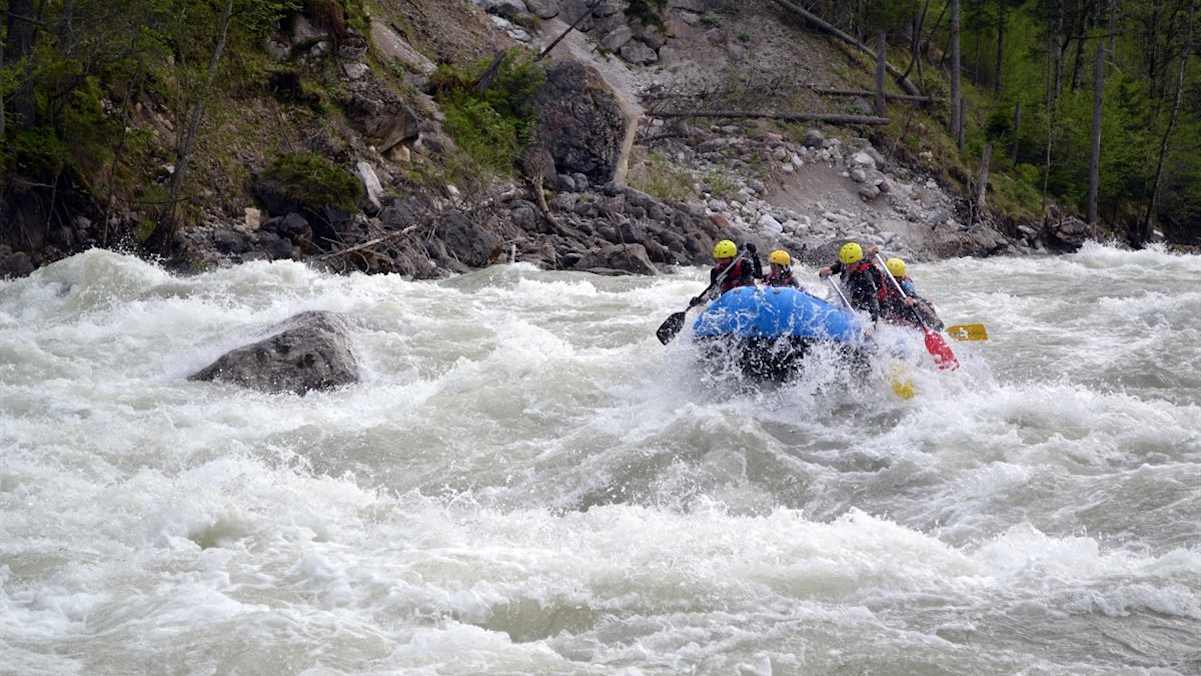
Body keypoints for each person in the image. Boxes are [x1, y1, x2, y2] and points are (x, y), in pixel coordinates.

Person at [818, 242, 882, 322]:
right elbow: (835, 267)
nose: (847, 267)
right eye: (845, 264)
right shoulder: (846, 262)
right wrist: (828, 271)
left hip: (861, 305)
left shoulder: (865, 279)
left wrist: (872, 324)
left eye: (850, 264)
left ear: (858, 262)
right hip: (848, 296)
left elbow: (874, 303)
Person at [881, 256, 944, 330]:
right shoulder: (881, 280)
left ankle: (935, 326)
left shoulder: (904, 281)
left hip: (903, 302)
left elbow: (911, 293)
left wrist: (911, 299)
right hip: (891, 308)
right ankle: (924, 328)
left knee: (925, 304)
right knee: (913, 309)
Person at [691, 239, 761, 305]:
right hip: (729, 301)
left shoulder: (744, 264)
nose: (721, 261)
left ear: (732, 257)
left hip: (747, 297)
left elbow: (758, 275)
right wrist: (700, 300)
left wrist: (754, 255)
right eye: (719, 258)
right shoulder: (715, 271)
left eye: (724, 258)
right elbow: (712, 294)